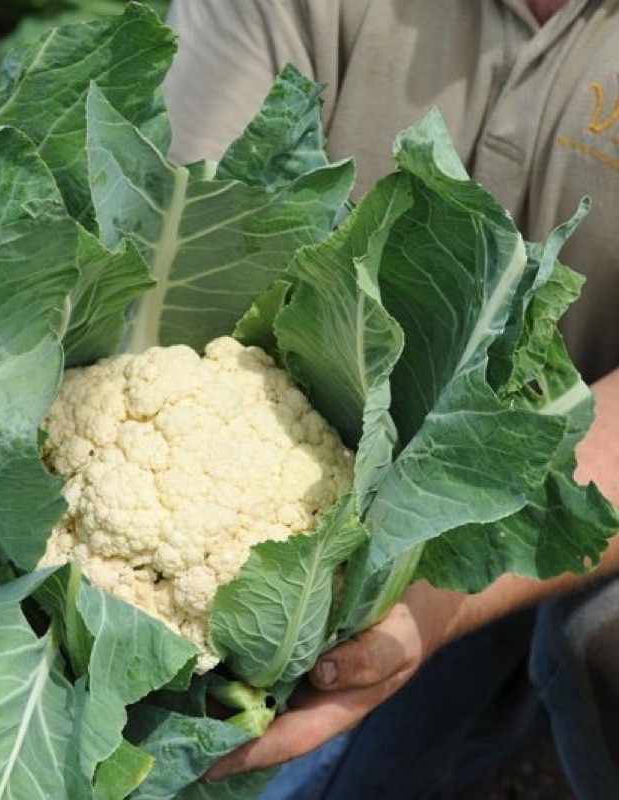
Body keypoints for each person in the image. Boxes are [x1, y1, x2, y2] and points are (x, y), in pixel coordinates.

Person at [162, 2, 619, 798]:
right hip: (333, 518)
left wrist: (436, 606)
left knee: (601, 645)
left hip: (583, 478)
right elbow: (172, 252)